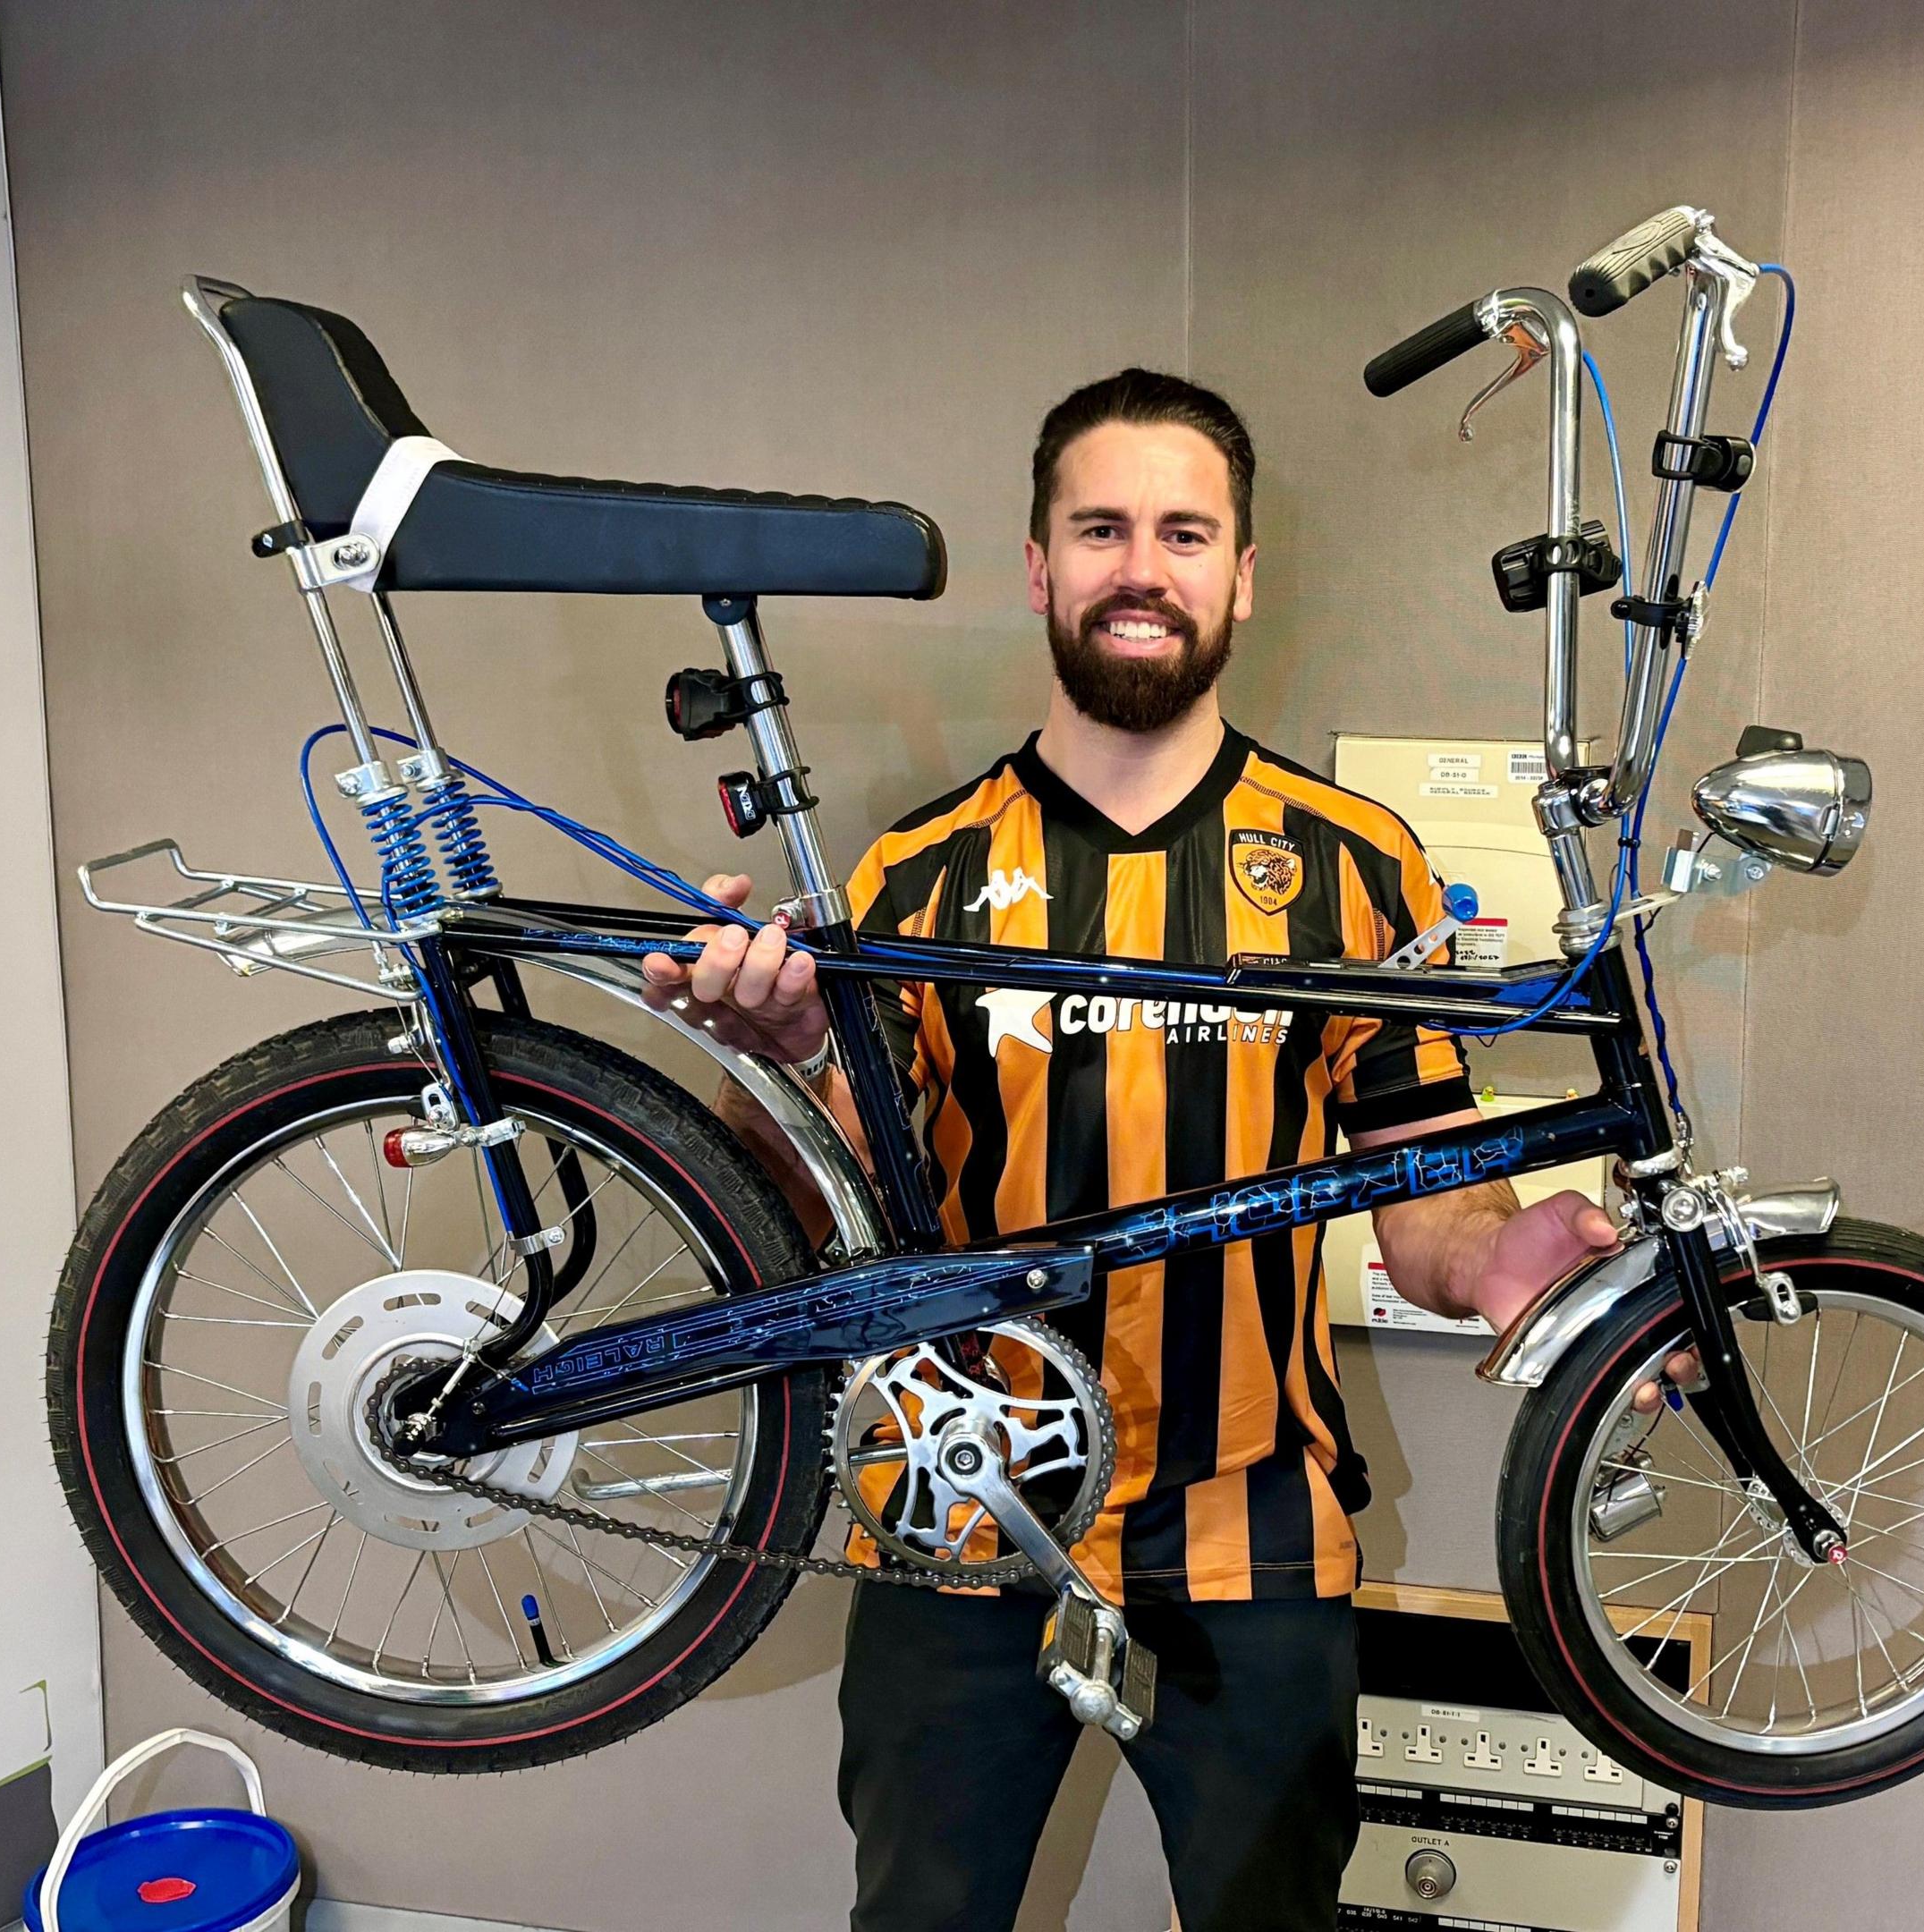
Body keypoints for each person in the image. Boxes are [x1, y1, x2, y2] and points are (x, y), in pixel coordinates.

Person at [639, 369, 1617, 1932]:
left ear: (1242, 574)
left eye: (1184, 530)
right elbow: (813, 1202)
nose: (1141, 568)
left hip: (1256, 1544)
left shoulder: (1359, 867)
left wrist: (1508, 1264)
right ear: (1041, 567)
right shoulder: (911, 876)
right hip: (955, 1524)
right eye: (1101, 529)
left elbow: (1431, 1191)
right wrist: (773, 1052)